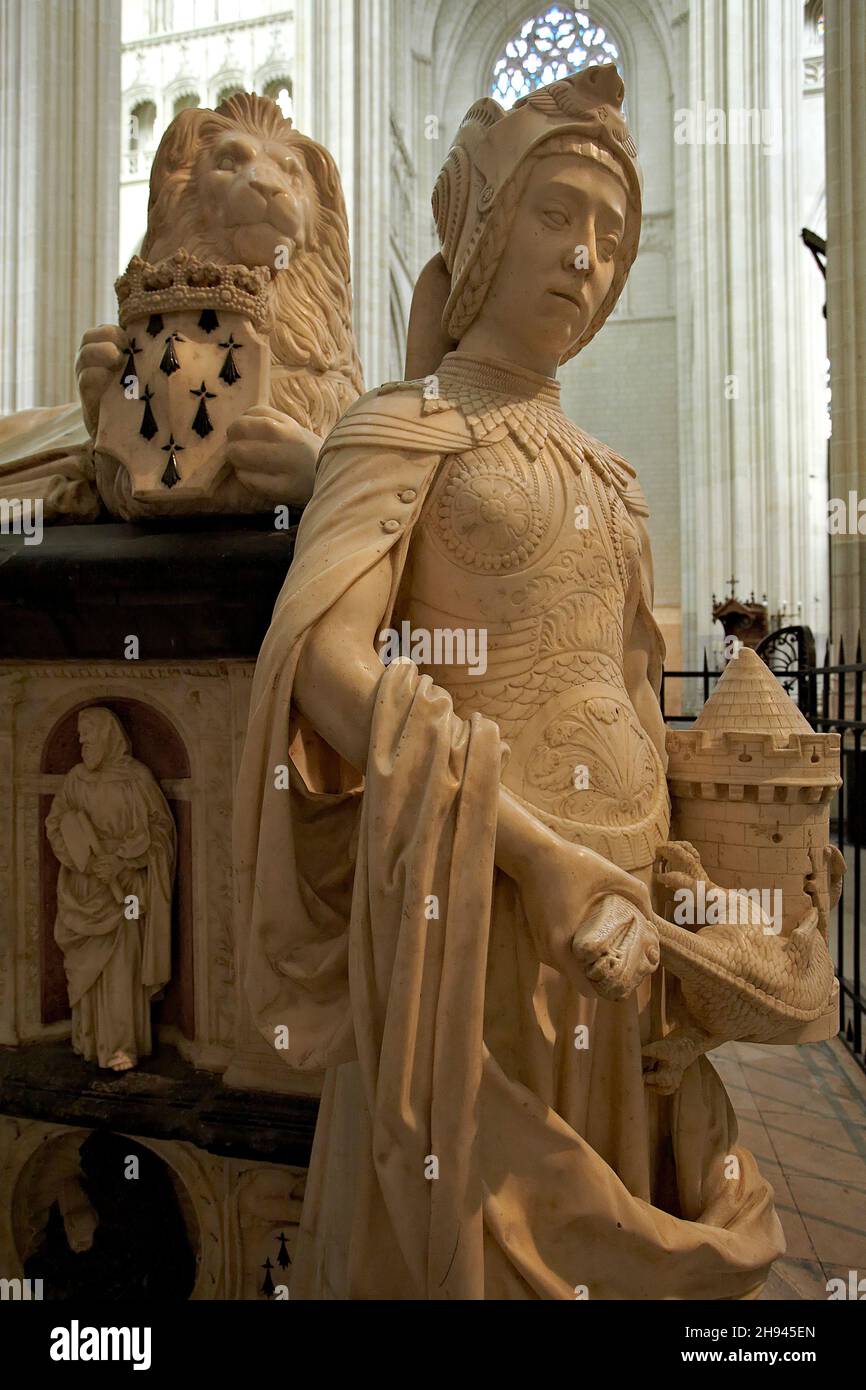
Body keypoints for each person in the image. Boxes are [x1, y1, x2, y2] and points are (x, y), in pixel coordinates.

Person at [235, 65, 784, 1299]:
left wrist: (683, 886)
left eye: (609, 233)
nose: (584, 257)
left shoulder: (614, 476)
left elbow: (637, 698)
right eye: (554, 214)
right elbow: (322, 662)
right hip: (469, 919)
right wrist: (533, 855)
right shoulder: (402, 426)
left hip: (615, 934)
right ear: (483, 229)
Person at [47, 707, 175, 1071]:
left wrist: (122, 858)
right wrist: (82, 861)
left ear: (108, 736)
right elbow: (56, 823)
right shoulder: (75, 780)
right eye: (80, 735)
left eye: (89, 734)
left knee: (122, 969)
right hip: (83, 887)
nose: (82, 741)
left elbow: (161, 831)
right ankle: (89, 1038)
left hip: (126, 892)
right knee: (87, 969)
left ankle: (121, 1044)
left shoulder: (136, 778)